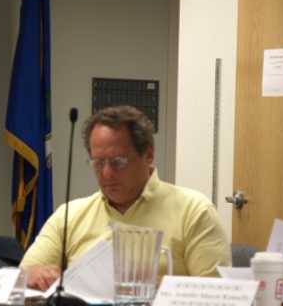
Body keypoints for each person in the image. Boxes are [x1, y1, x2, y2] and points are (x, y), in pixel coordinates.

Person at [21, 105, 230, 290]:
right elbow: (22, 277)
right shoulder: (70, 215)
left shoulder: (193, 210)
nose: (106, 174)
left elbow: (216, 294)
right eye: (98, 163)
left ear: (148, 155)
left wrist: (158, 290)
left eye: (118, 162)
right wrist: (34, 275)